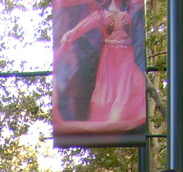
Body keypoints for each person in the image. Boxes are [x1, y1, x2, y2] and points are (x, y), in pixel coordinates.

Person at [54, 0, 146, 137]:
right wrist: (71, 34)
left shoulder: (130, 11)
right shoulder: (101, 14)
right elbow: (83, 26)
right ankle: (111, 121)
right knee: (107, 90)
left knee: (124, 88)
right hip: (110, 55)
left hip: (126, 54)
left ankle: (117, 118)